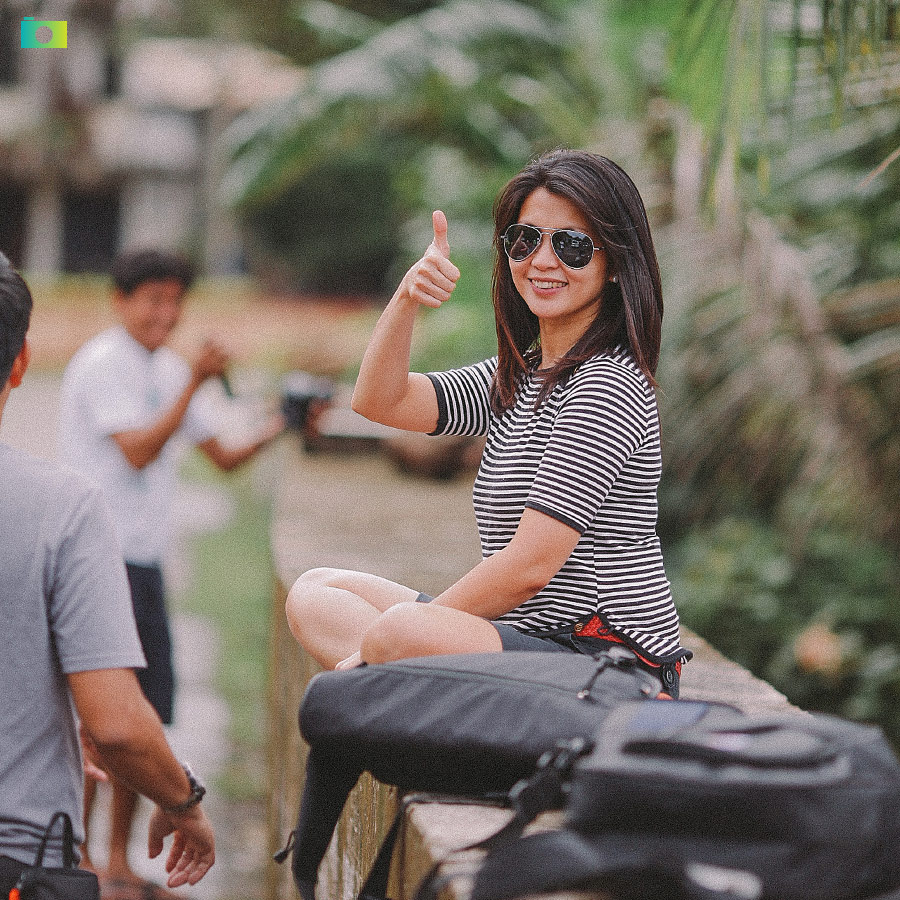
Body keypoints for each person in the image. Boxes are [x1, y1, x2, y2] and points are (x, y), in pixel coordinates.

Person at [286, 149, 690, 697]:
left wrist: (404, 635)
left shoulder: (606, 386)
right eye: (526, 240)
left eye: (570, 245)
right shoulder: (519, 379)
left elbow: (530, 565)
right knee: (315, 593)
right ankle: (396, 678)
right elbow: (381, 400)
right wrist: (407, 297)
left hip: (607, 663)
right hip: (523, 644)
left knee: (397, 631)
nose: (543, 261)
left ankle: (389, 680)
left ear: (615, 264)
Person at [57, 249, 283, 893]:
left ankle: (118, 860)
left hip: (144, 564)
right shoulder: (107, 364)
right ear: (120, 300)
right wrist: (195, 383)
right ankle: (81, 857)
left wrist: (285, 426)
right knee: (101, 723)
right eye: (152, 299)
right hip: (99, 560)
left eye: (174, 299)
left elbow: (225, 456)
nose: (166, 312)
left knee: (145, 717)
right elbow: (137, 451)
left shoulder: (166, 369)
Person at [0, 254, 215, 899]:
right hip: (17, 858)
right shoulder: (62, 507)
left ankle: (113, 858)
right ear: (19, 362)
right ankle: (103, 859)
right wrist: (183, 800)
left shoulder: (169, 370)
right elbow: (117, 725)